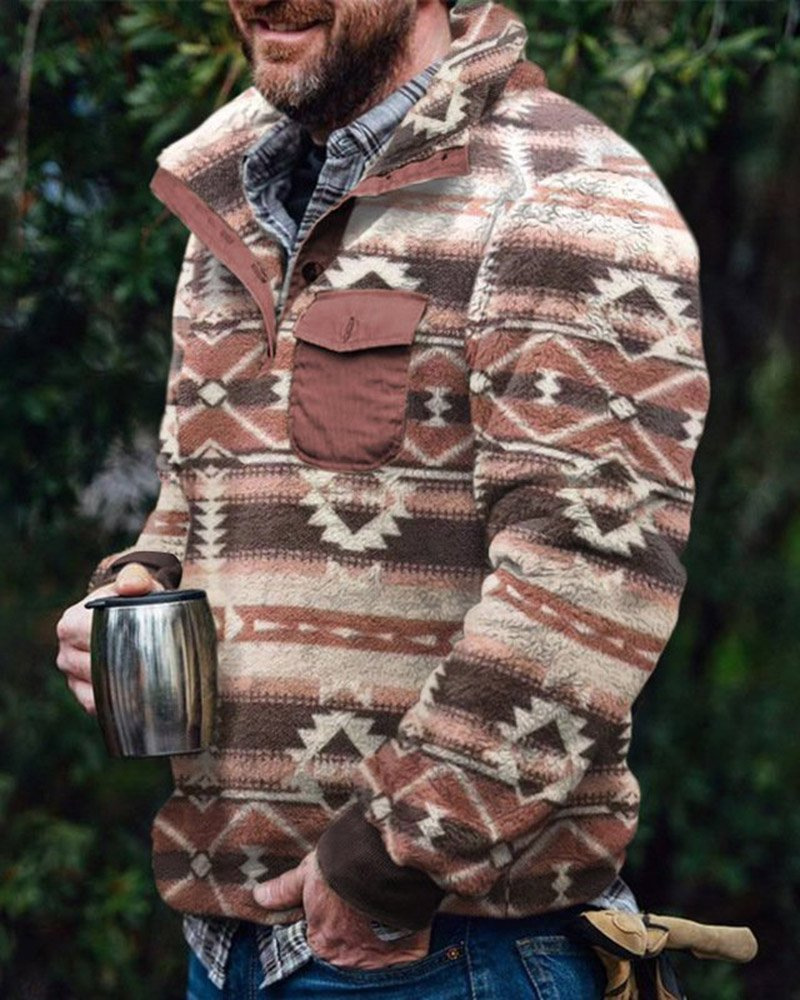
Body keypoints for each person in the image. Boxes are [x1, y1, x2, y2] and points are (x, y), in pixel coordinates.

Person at [55, 0, 711, 996]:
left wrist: (389, 864)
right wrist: (138, 584)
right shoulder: (230, 192)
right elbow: (199, 495)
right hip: (224, 944)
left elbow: (592, 576)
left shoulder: (563, 194)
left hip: (445, 950)